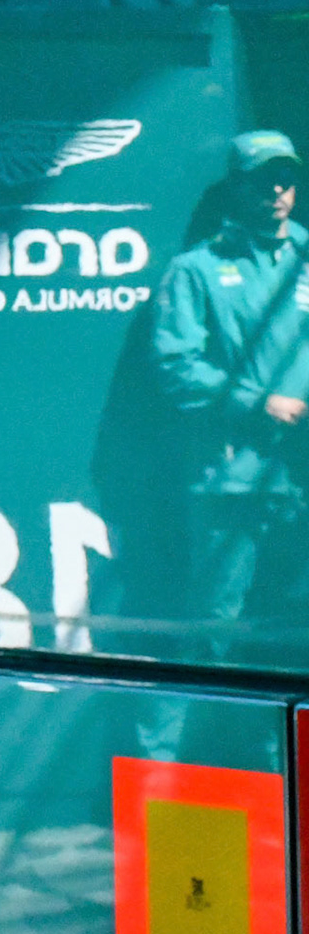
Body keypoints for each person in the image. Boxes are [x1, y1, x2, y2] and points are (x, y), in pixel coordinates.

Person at [151, 130, 309, 655]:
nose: (278, 191)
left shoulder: (306, 255)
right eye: (264, 181)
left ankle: (275, 742)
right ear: (237, 187)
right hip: (233, 480)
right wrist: (258, 403)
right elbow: (176, 368)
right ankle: (182, 739)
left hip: (300, 477)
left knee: (293, 630)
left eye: (286, 179)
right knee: (218, 626)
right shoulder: (196, 269)